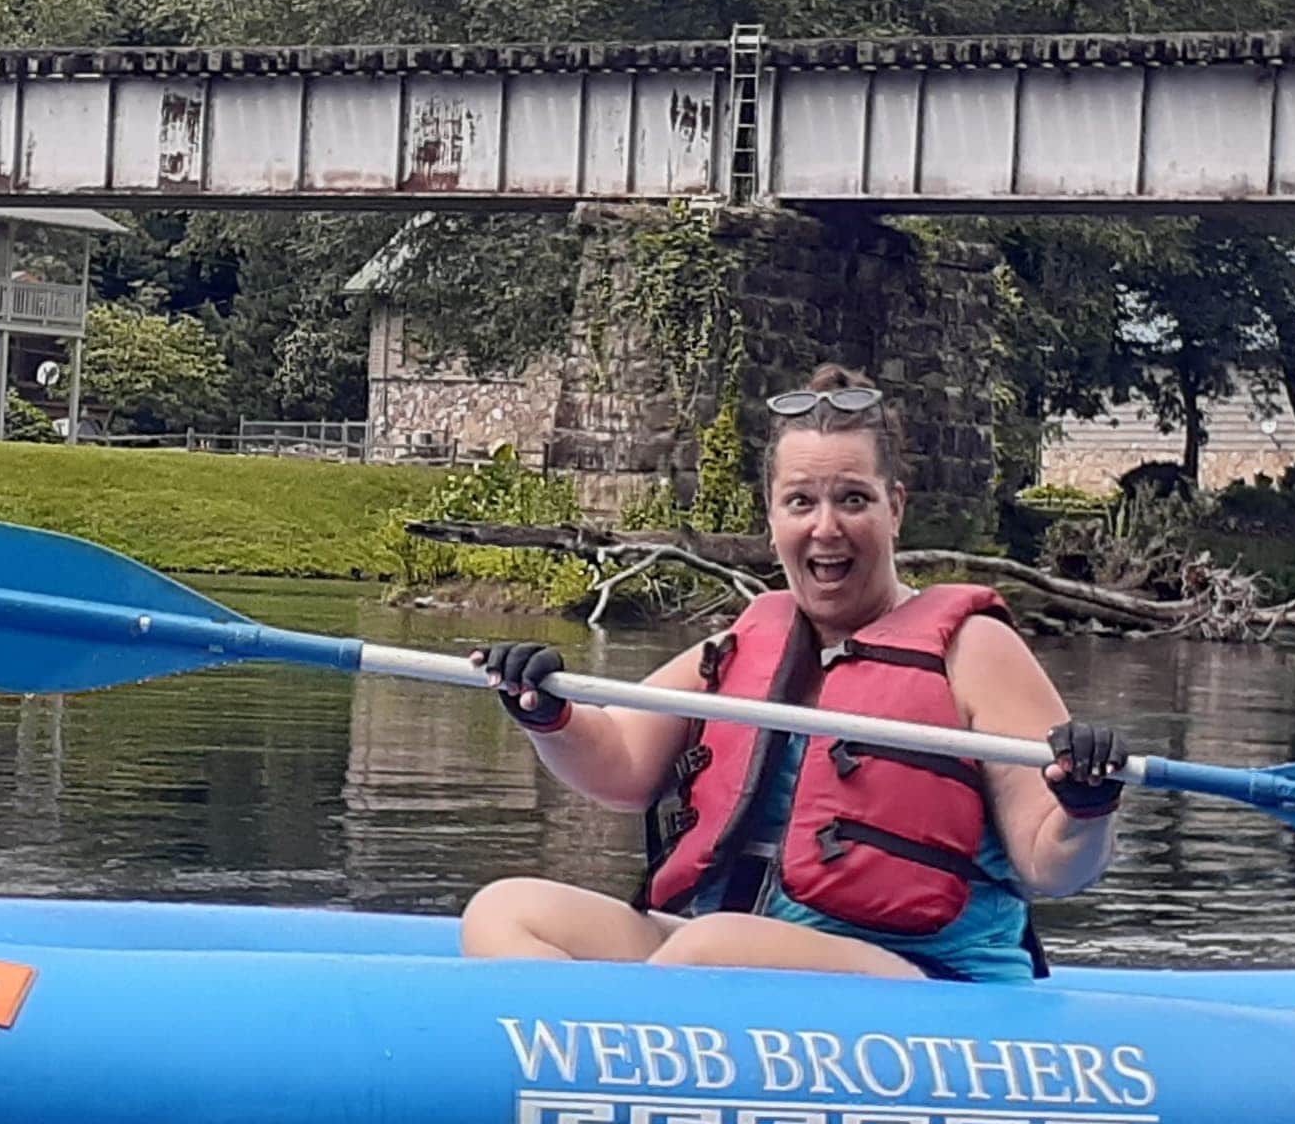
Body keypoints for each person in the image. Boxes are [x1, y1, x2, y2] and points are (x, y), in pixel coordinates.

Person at [458, 372, 1127, 981]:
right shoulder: (745, 641)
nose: (826, 527)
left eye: (854, 499)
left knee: (706, 949)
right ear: (772, 514)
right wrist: (547, 714)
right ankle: (585, 1069)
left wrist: (1085, 806)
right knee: (506, 911)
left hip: (923, 982)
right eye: (801, 501)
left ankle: (623, 1044)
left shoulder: (975, 648)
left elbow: (1051, 860)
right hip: (743, 955)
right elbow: (623, 763)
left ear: (895, 508)